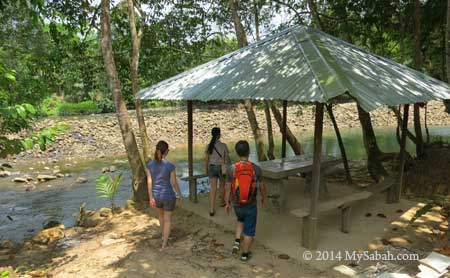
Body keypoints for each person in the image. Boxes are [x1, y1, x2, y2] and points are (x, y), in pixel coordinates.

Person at [225, 140, 268, 262]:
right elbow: (262, 186)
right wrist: (264, 198)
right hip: (251, 204)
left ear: (237, 152)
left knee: (240, 219)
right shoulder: (256, 169)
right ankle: (245, 254)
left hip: (237, 204)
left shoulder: (231, 169)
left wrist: (227, 202)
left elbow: (228, 187)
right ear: (249, 152)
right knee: (249, 230)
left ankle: (237, 241)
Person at [146, 140, 182, 251]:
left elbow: (149, 182)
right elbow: (174, 183)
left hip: (156, 196)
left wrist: (151, 197)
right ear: (166, 151)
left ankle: (163, 236)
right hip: (168, 196)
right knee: (167, 220)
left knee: (161, 217)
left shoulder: (149, 165)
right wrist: (179, 194)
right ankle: (164, 244)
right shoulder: (170, 166)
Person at [205, 127, 231, 216]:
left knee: (213, 188)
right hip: (221, 168)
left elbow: (206, 159)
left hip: (212, 167)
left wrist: (206, 169)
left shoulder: (209, 146)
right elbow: (227, 158)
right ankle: (222, 202)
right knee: (222, 186)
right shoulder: (223, 146)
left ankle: (211, 209)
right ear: (219, 135)